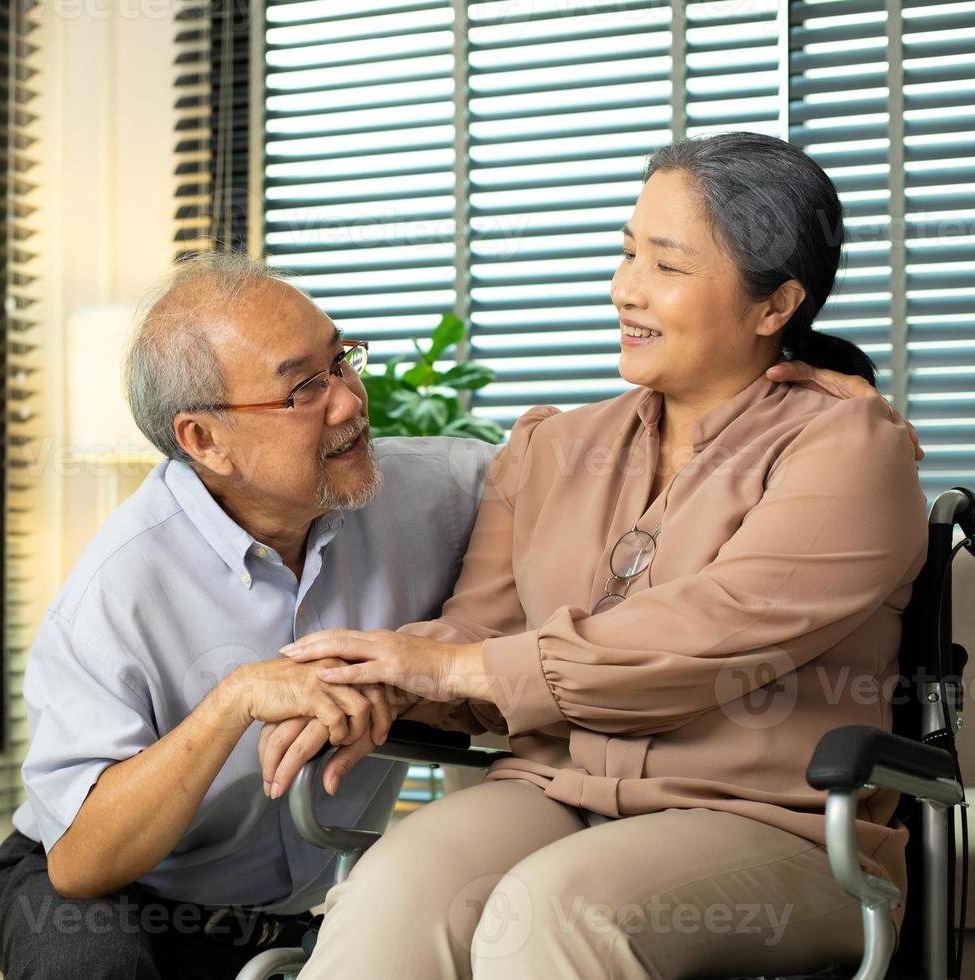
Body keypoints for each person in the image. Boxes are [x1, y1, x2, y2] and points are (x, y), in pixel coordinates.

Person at [0, 248, 913, 976]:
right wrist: (235, 701)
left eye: (342, 357)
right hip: (108, 879)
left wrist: (807, 392)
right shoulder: (118, 585)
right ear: (203, 439)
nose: (352, 402)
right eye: (304, 388)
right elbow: (80, 860)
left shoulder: (432, 487)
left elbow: (600, 468)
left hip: (298, 896)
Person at [273, 132, 928, 979]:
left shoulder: (849, 451)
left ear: (775, 307)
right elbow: (481, 628)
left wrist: (456, 669)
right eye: (626, 254)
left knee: (556, 912)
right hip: (556, 792)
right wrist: (376, 681)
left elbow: (700, 636)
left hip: (776, 829)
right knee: (393, 887)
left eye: (666, 265)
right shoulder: (552, 446)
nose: (626, 290)